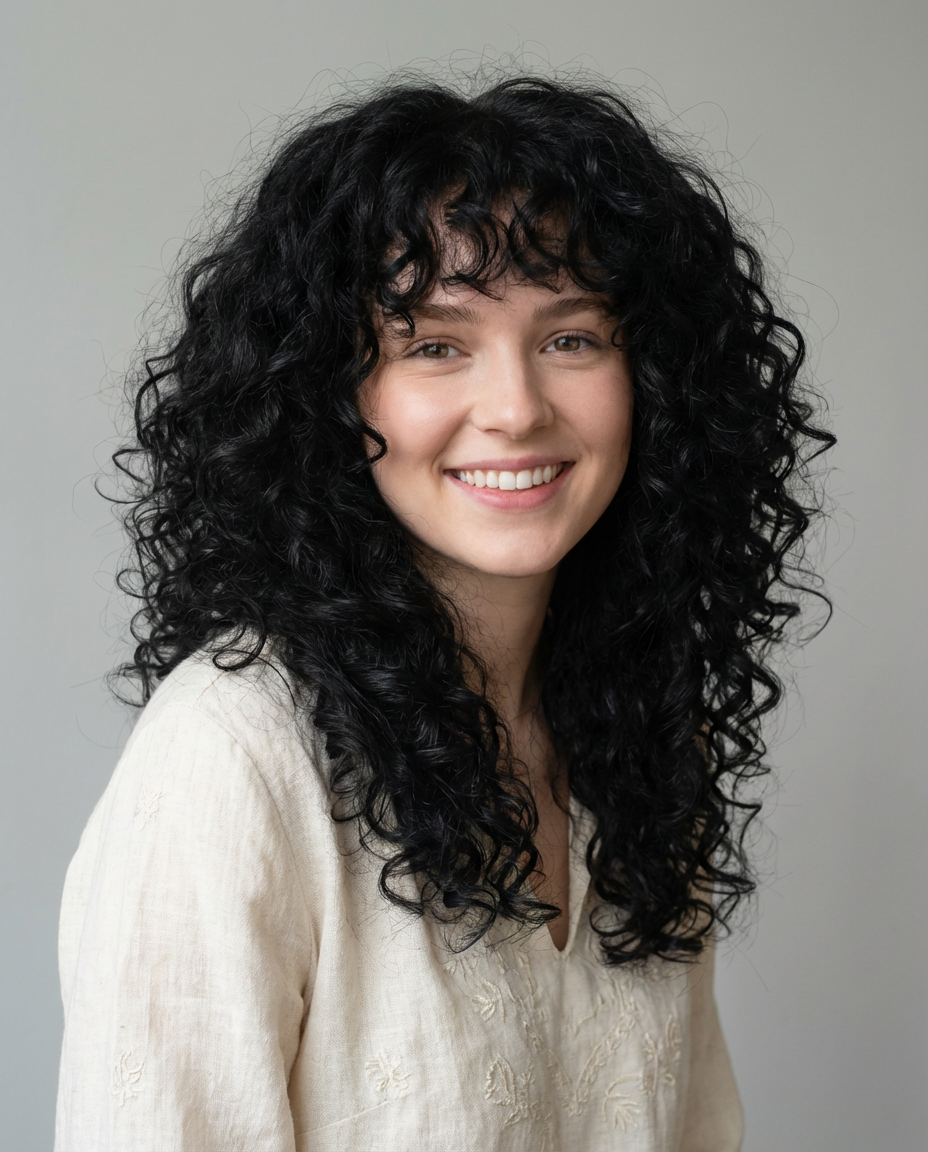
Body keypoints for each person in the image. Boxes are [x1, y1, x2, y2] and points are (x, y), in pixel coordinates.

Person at [54, 73, 832, 1151]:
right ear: (325, 391)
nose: (516, 408)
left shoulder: (640, 736)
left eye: (572, 338)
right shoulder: (232, 756)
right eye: (433, 345)